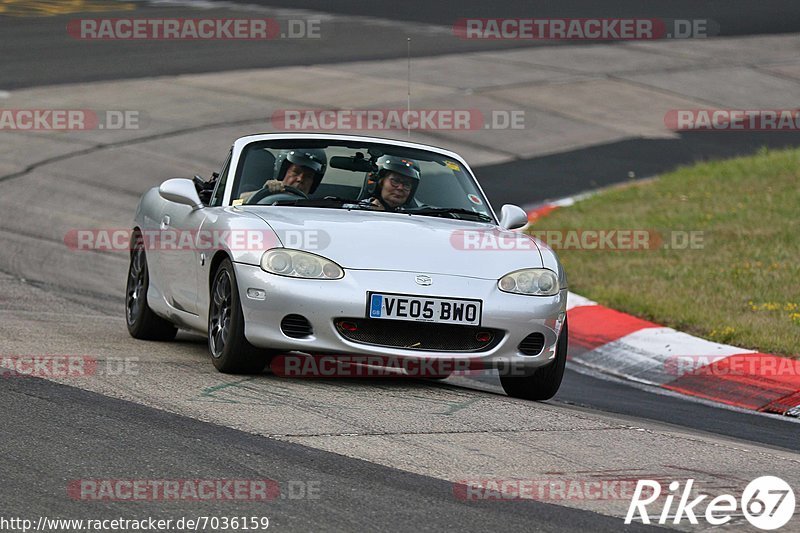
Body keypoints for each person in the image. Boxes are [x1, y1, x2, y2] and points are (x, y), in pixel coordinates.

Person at [240, 149, 327, 202]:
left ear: (313, 183)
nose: (300, 179)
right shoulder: (252, 191)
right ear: (282, 172)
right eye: (295, 172)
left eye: (308, 176)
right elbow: (234, 203)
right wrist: (263, 192)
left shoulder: (317, 206)